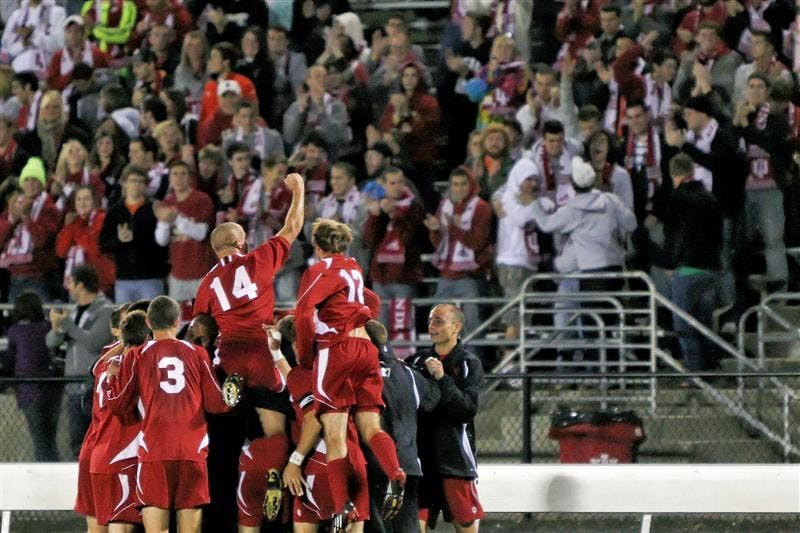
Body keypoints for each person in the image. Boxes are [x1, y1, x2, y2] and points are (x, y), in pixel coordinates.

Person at [192, 172, 304, 522]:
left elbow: (201, 326)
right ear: (241, 242)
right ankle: (271, 470)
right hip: (261, 348)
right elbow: (293, 226)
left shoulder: (207, 283)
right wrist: (298, 191)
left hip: (228, 352)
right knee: (275, 430)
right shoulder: (258, 259)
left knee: (226, 418)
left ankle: (232, 390)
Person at [294, 218, 407, 531]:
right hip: (366, 348)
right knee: (370, 425)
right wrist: (364, 316)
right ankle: (395, 471)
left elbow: (303, 313)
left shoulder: (319, 270)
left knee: (334, 434)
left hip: (336, 349)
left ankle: (342, 503)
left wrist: (305, 356)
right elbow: (371, 301)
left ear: (317, 246)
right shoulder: (353, 267)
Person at [105, 296, 230, 533]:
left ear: (149, 323)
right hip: (192, 449)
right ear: (177, 321)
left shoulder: (137, 355)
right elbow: (217, 404)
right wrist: (233, 395)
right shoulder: (198, 353)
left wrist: (111, 381)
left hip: (156, 449)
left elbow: (118, 405)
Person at [406, 304, 485, 533]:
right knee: (412, 526)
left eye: (438, 321)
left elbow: (467, 410)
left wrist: (442, 378)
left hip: (454, 459)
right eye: (430, 321)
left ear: (456, 327)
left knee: (466, 526)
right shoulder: (417, 362)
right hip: (421, 459)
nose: (431, 326)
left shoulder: (469, 364)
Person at [363, 317, 440, 533]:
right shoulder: (409, 373)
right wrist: (436, 377)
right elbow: (431, 401)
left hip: (375, 464)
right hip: (408, 464)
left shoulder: (360, 371)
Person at [656, 153, 724, 373]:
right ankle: (711, 367)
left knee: (684, 325)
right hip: (711, 269)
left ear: (673, 175)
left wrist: (669, 262)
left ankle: (696, 372)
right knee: (704, 324)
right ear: (692, 172)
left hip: (686, 270)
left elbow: (675, 234)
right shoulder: (710, 197)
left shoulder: (677, 198)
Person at [46, 264, 114, 459]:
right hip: (74, 388)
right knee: (77, 443)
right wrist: (56, 328)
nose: (68, 287)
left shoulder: (106, 311)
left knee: (99, 442)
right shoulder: (74, 311)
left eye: (71, 283)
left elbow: (94, 342)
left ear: (81, 285)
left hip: (94, 389)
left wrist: (66, 324)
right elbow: (52, 342)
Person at [89, 309, 149, 531]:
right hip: (121, 455)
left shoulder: (105, 365)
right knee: (121, 525)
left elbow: (95, 368)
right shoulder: (136, 366)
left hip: (101, 453)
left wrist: (125, 341)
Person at [424, 167, 493, 333]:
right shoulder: (445, 205)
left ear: (471, 186)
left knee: (471, 327)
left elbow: (478, 242)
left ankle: (474, 359)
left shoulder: (481, 207)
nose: (459, 188)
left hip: (470, 277)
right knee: (439, 325)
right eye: (455, 184)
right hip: (446, 275)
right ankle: (443, 359)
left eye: (463, 184)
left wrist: (455, 227)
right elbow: (439, 244)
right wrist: (435, 230)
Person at [4, 291, 60, 462]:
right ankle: (55, 469)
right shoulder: (46, 327)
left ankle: (47, 473)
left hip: (28, 391)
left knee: (40, 439)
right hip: (52, 389)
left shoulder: (15, 331)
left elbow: (10, 360)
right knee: (50, 438)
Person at [99, 164, 169, 303]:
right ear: (124, 183)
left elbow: (162, 243)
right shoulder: (114, 212)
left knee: (152, 322)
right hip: (123, 279)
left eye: (140, 181)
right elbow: (103, 244)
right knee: (125, 323)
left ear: (145, 185)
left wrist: (134, 238)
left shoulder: (154, 210)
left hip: (151, 277)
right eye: (132, 181)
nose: (136, 185)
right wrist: (119, 240)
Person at [154, 160, 216, 304]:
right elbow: (161, 240)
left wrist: (176, 218)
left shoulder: (202, 200)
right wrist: (164, 222)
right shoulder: (167, 202)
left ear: (190, 177)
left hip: (201, 271)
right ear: (169, 178)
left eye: (183, 174)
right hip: (178, 273)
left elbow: (201, 233)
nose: (179, 178)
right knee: (178, 320)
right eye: (175, 174)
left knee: (205, 317)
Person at [55, 184, 116, 297]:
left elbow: (93, 248)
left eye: (86, 199)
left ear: (94, 201)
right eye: (79, 199)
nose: (82, 203)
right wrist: (68, 226)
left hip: (101, 285)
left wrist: (77, 229)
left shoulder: (103, 218)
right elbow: (61, 251)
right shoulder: (74, 222)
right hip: (78, 287)